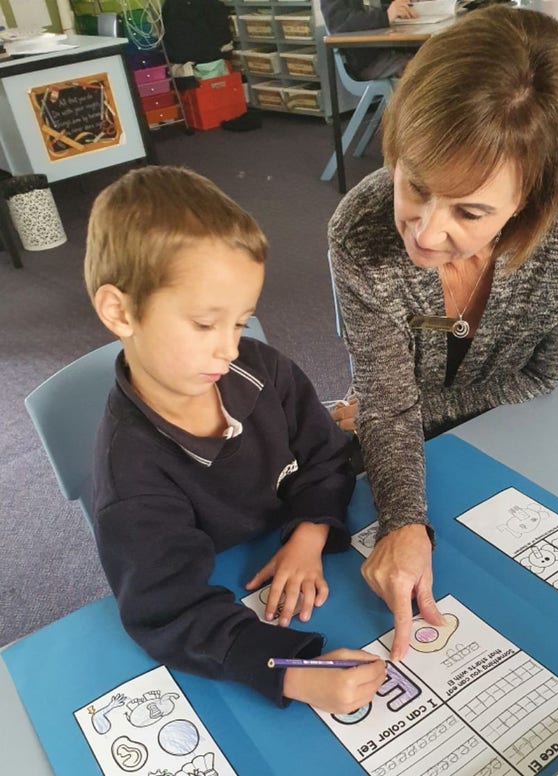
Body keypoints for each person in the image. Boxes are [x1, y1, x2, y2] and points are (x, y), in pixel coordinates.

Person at [328, 5, 558, 661]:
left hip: (515, 436)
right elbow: (386, 395)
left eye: (471, 211)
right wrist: (403, 520)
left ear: (531, 201)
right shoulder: (363, 229)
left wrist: (403, 411)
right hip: (396, 448)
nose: (427, 233)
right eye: (416, 185)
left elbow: (546, 377)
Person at [83, 165, 385, 712]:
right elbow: (169, 612)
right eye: (204, 325)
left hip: (304, 562)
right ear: (120, 311)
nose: (229, 349)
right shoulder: (130, 474)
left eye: (241, 323)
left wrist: (311, 531)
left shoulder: (261, 369)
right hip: (231, 607)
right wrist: (292, 670)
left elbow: (325, 455)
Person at [321, 0, 416, 80]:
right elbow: (338, 23)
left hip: (385, 49)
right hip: (367, 61)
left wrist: (398, 9)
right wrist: (386, 16)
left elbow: (369, 10)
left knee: (427, 54)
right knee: (421, 68)